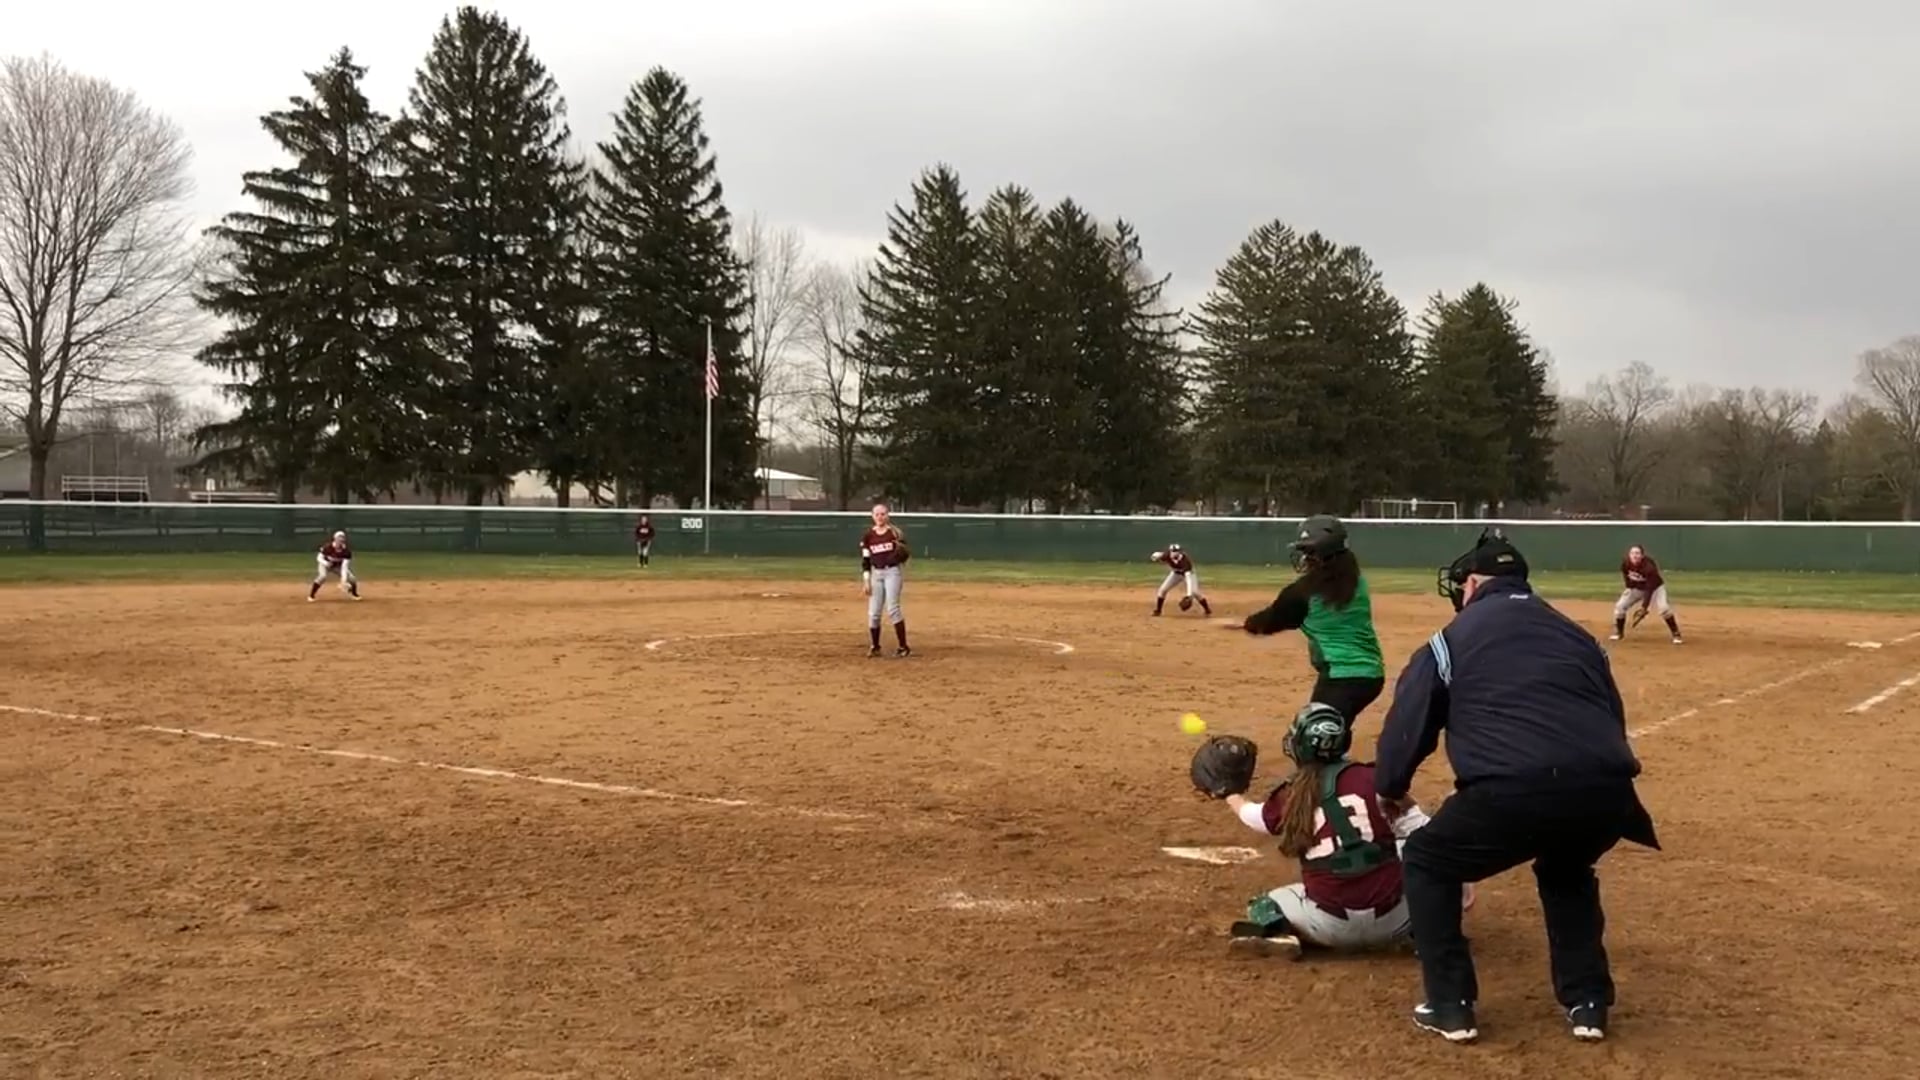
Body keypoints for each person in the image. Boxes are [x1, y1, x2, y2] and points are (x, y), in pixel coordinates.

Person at [1374, 527, 1660, 1045]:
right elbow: (1611, 717)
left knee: (1427, 861)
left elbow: (1409, 725)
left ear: (1473, 584)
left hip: (1514, 790)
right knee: (1566, 868)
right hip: (1606, 793)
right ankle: (1588, 1003)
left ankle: (1450, 1004)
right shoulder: (1578, 636)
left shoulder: (1449, 640)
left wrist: (1390, 785)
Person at [1213, 702, 1472, 959]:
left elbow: (1253, 817)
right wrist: (1459, 879)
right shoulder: (1376, 778)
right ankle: (1432, 934)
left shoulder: (1291, 793)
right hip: (1395, 923)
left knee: (1266, 903)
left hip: (1329, 928)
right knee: (1425, 857)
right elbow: (1424, 831)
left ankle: (1282, 934)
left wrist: (1229, 793)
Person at [1232, 514, 1387, 727]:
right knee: (1335, 729)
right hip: (1372, 675)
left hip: (1341, 677)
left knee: (1313, 735)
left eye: (1308, 552)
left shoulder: (1303, 592)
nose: (1304, 558)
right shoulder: (1356, 581)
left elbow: (1272, 619)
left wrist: (1247, 624)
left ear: (1321, 555)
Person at [860, 503, 911, 658]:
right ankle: (875, 647)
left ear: (887, 515)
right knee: (874, 613)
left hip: (892, 572)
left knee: (893, 608)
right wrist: (866, 580)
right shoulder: (868, 536)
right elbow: (866, 560)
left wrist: (901, 555)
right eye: (877, 514)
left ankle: (903, 647)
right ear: (872, 516)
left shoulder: (895, 533)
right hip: (876, 574)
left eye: (883, 514)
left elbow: (905, 553)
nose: (880, 517)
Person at [1612, 544, 1681, 644]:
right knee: (1620, 607)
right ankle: (1619, 633)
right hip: (1638, 588)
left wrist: (1644, 607)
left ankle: (1676, 633)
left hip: (1656, 588)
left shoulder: (1649, 568)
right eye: (1632, 553)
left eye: (1637, 553)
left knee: (1664, 609)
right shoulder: (1626, 564)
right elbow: (1626, 576)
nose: (1634, 555)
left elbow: (1649, 589)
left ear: (1642, 556)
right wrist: (1629, 587)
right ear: (1629, 555)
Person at [1149, 543, 1212, 616]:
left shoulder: (1185, 561)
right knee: (1162, 590)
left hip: (1189, 574)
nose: (1174, 553)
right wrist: (1155, 556)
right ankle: (1158, 610)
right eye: (1173, 551)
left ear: (1180, 552)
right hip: (1175, 574)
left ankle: (1207, 609)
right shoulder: (1167, 555)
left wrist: (1189, 595)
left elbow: (1188, 579)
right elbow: (1158, 555)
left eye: (1176, 551)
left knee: (1195, 592)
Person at [309, 530, 362, 602]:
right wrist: (325, 563)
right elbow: (319, 558)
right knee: (322, 576)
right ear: (335, 538)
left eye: (342, 538)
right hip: (325, 565)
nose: (341, 539)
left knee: (352, 578)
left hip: (337, 567)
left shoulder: (346, 551)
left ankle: (354, 594)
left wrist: (343, 581)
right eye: (339, 538)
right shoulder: (328, 547)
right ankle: (311, 595)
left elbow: (344, 567)